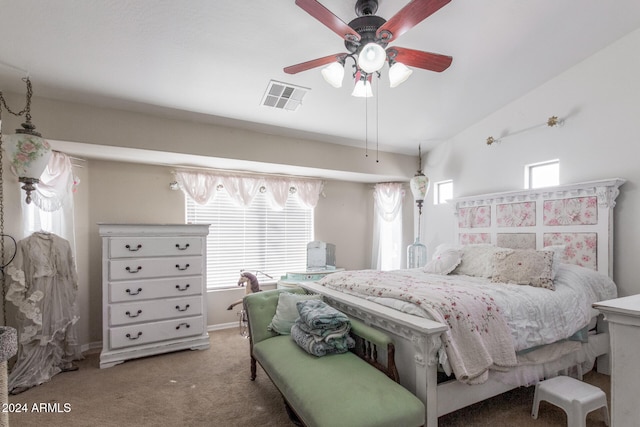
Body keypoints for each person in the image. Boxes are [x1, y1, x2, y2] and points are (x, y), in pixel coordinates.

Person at [5, 231, 83, 394]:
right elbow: (19, 270)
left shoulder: (64, 243)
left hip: (60, 292)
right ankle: (28, 373)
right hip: (39, 293)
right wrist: (23, 295)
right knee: (36, 331)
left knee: (59, 327)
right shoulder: (25, 244)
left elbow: (70, 270)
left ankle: (59, 361)